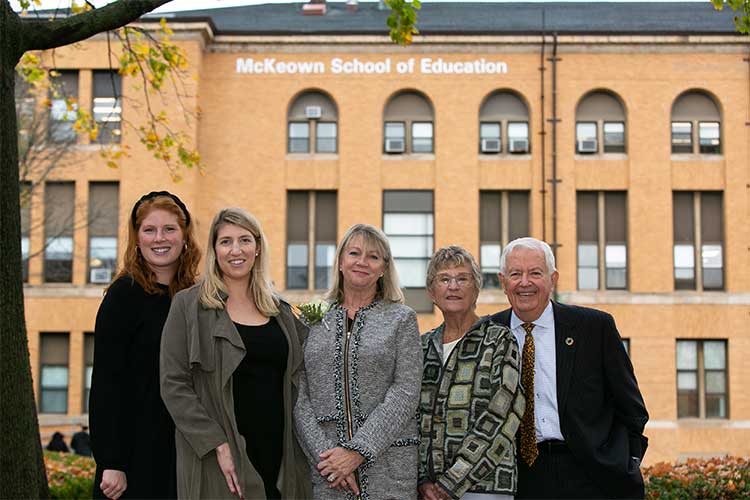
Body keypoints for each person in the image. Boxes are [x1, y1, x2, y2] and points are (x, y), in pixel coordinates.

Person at [160, 207, 311, 500]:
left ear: (257, 248)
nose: (235, 250)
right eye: (225, 241)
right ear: (215, 251)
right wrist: (216, 443)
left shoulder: (279, 311)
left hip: (279, 452)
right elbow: (173, 385)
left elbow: (311, 368)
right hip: (219, 453)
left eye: (244, 240)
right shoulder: (188, 306)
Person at [491, 237, 648, 499]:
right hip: (518, 480)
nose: (525, 282)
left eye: (535, 273)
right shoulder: (488, 334)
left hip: (592, 474)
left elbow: (631, 407)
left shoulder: (594, 328)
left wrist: (626, 459)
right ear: (502, 281)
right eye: (515, 274)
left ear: (553, 279)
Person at [294, 223, 422, 500]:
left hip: (388, 466)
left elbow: (406, 392)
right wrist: (329, 459)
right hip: (326, 468)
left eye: (373, 257)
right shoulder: (311, 319)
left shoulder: (401, 319)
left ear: (384, 268)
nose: (362, 262)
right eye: (354, 253)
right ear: (340, 261)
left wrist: (357, 451)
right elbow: (297, 392)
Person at [89, 191, 200, 500]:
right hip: (133, 453)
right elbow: (106, 382)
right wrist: (111, 461)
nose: (159, 238)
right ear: (136, 238)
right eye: (149, 230)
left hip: (184, 450)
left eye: (169, 229)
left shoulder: (196, 298)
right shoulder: (123, 296)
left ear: (184, 235)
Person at [418, 246, 525, 500]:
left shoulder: (499, 339)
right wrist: (423, 479)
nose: (453, 286)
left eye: (462, 278)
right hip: (429, 492)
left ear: (476, 289)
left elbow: (505, 412)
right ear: (431, 292)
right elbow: (412, 419)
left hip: (486, 488)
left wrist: (452, 482)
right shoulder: (421, 347)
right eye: (444, 279)